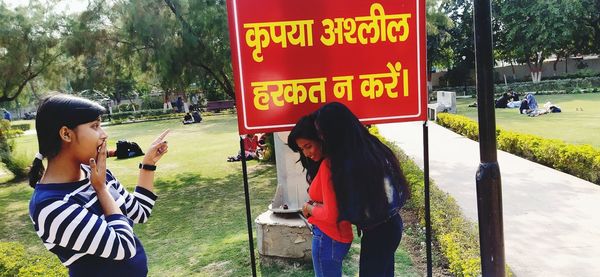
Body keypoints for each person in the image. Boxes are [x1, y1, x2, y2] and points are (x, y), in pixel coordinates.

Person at [28, 94, 169, 276]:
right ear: (66, 134)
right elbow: (123, 246)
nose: (104, 134)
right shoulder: (50, 206)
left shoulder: (95, 174)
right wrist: (101, 189)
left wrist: (148, 164)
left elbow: (140, 212)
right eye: (95, 126)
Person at [312, 102, 409, 276]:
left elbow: (341, 209)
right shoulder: (368, 145)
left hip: (379, 232)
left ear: (334, 132)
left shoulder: (353, 161)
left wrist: (313, 208)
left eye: (322, 133)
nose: (322, 138)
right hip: (390, 225)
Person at [287, 115, 353, 277]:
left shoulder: (328, 165)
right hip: (335, 236)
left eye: (308, 146)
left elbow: (331, 214)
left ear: (321, 138)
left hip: (328, 236)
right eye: (302, 149)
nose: (306, 153)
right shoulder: (335, 161)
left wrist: (309, 207)